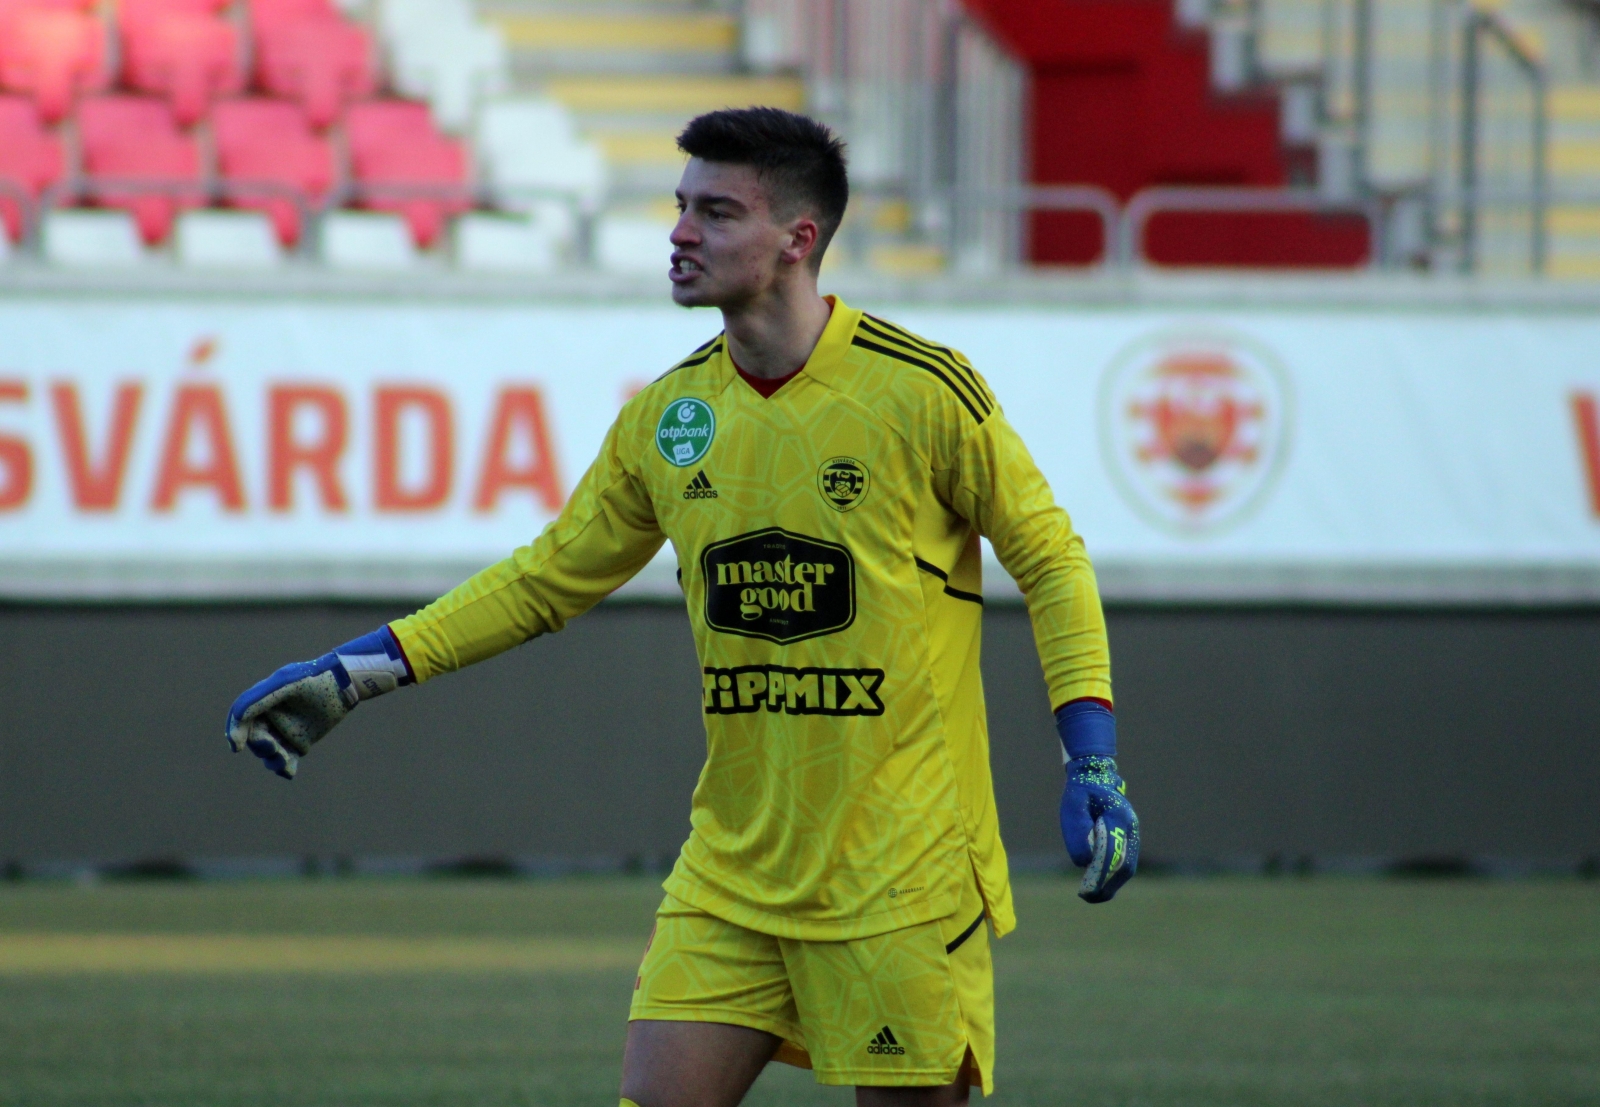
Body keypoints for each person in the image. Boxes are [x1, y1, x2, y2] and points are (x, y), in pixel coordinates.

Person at [225, 107, 1139, 1107]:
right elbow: (544, 579)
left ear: (797, 239)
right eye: (680, 206)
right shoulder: (668, 417)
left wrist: (1090, 755)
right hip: (732, 876)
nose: (680, 233)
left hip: (901, 879)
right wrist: (359, 671)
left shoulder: (920, 392)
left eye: (716, 212)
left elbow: (1051, 560)